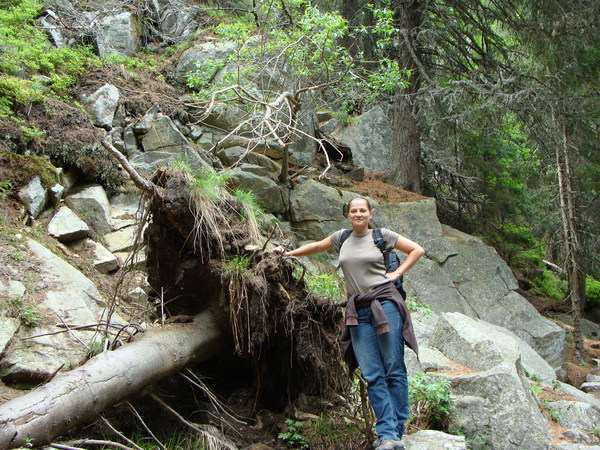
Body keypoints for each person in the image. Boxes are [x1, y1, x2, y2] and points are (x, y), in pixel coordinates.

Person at [273, 197, 425, 450]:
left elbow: (417, 250)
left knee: (393, 367)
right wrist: (287, 253)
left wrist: (397, 273)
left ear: (370, 213)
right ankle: (387, 434)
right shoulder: (341, 238)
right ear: (348, 214)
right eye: (353, 210)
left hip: (385, 303)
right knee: (372, 373)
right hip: (357, 310)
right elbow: (316, 247)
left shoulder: (382, 235)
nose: (358, 214)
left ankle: (395, 430)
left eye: (362, 210)